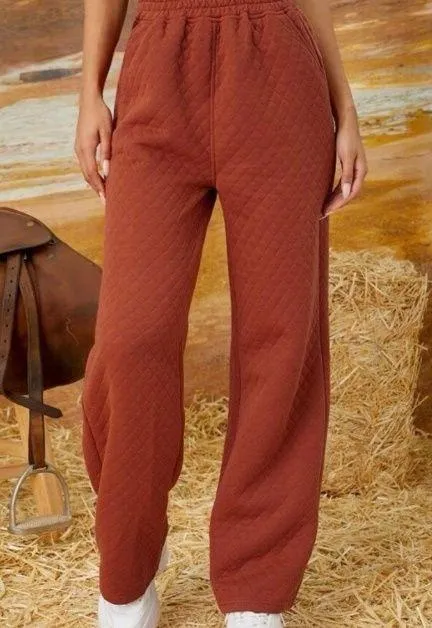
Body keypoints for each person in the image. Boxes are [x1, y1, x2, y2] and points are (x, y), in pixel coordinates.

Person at [74, 0, 367, 625]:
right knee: (131, 337)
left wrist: (345, 110)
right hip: (159, 65)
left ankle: (256, 588)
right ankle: (127, 559)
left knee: (280, 337)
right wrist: (89, 92)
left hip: (279, 71)